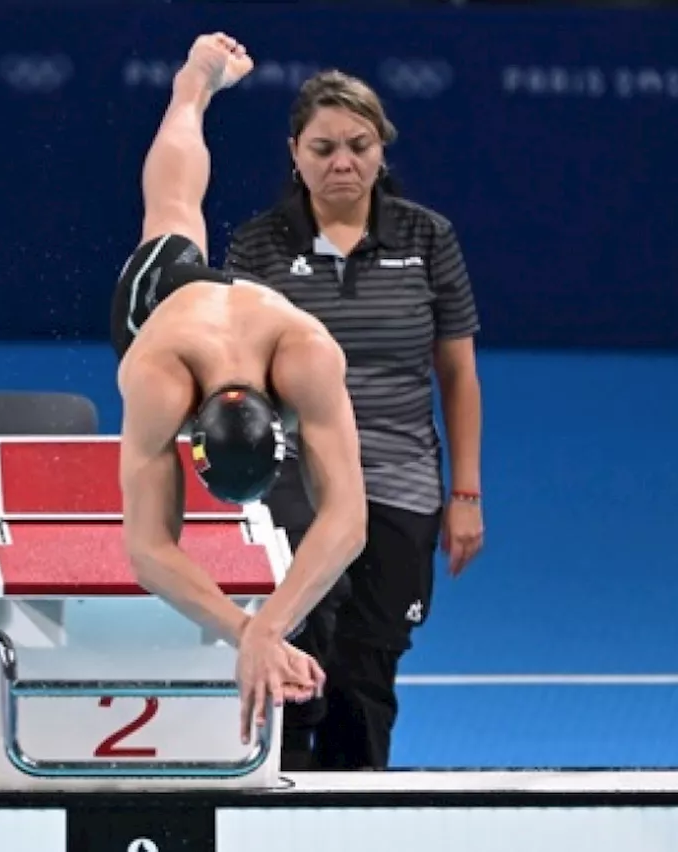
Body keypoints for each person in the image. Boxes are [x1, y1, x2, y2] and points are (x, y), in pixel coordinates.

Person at [224, 69, 486, 771]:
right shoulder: (258, 247)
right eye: (323, 147)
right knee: (293, 663)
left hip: (399, 486)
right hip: (291, 493)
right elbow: (234, 377)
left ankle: (354, 815)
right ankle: (275, 811)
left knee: (367, 674)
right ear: (294, 153)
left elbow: (457, 374)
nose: (342, 162)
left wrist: (465, 494)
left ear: (382, 150)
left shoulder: (429, 239)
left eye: (358, 145)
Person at [111, 34, 369, 746]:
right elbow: (148, 548)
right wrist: (247, 630)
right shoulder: (156, 378)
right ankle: (190, 85)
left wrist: (268, 627)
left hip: (248, 310)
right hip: (162, 307)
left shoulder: (308, 351)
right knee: (169, 214)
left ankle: (195, 87)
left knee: (177, 212)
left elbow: (348, 522)